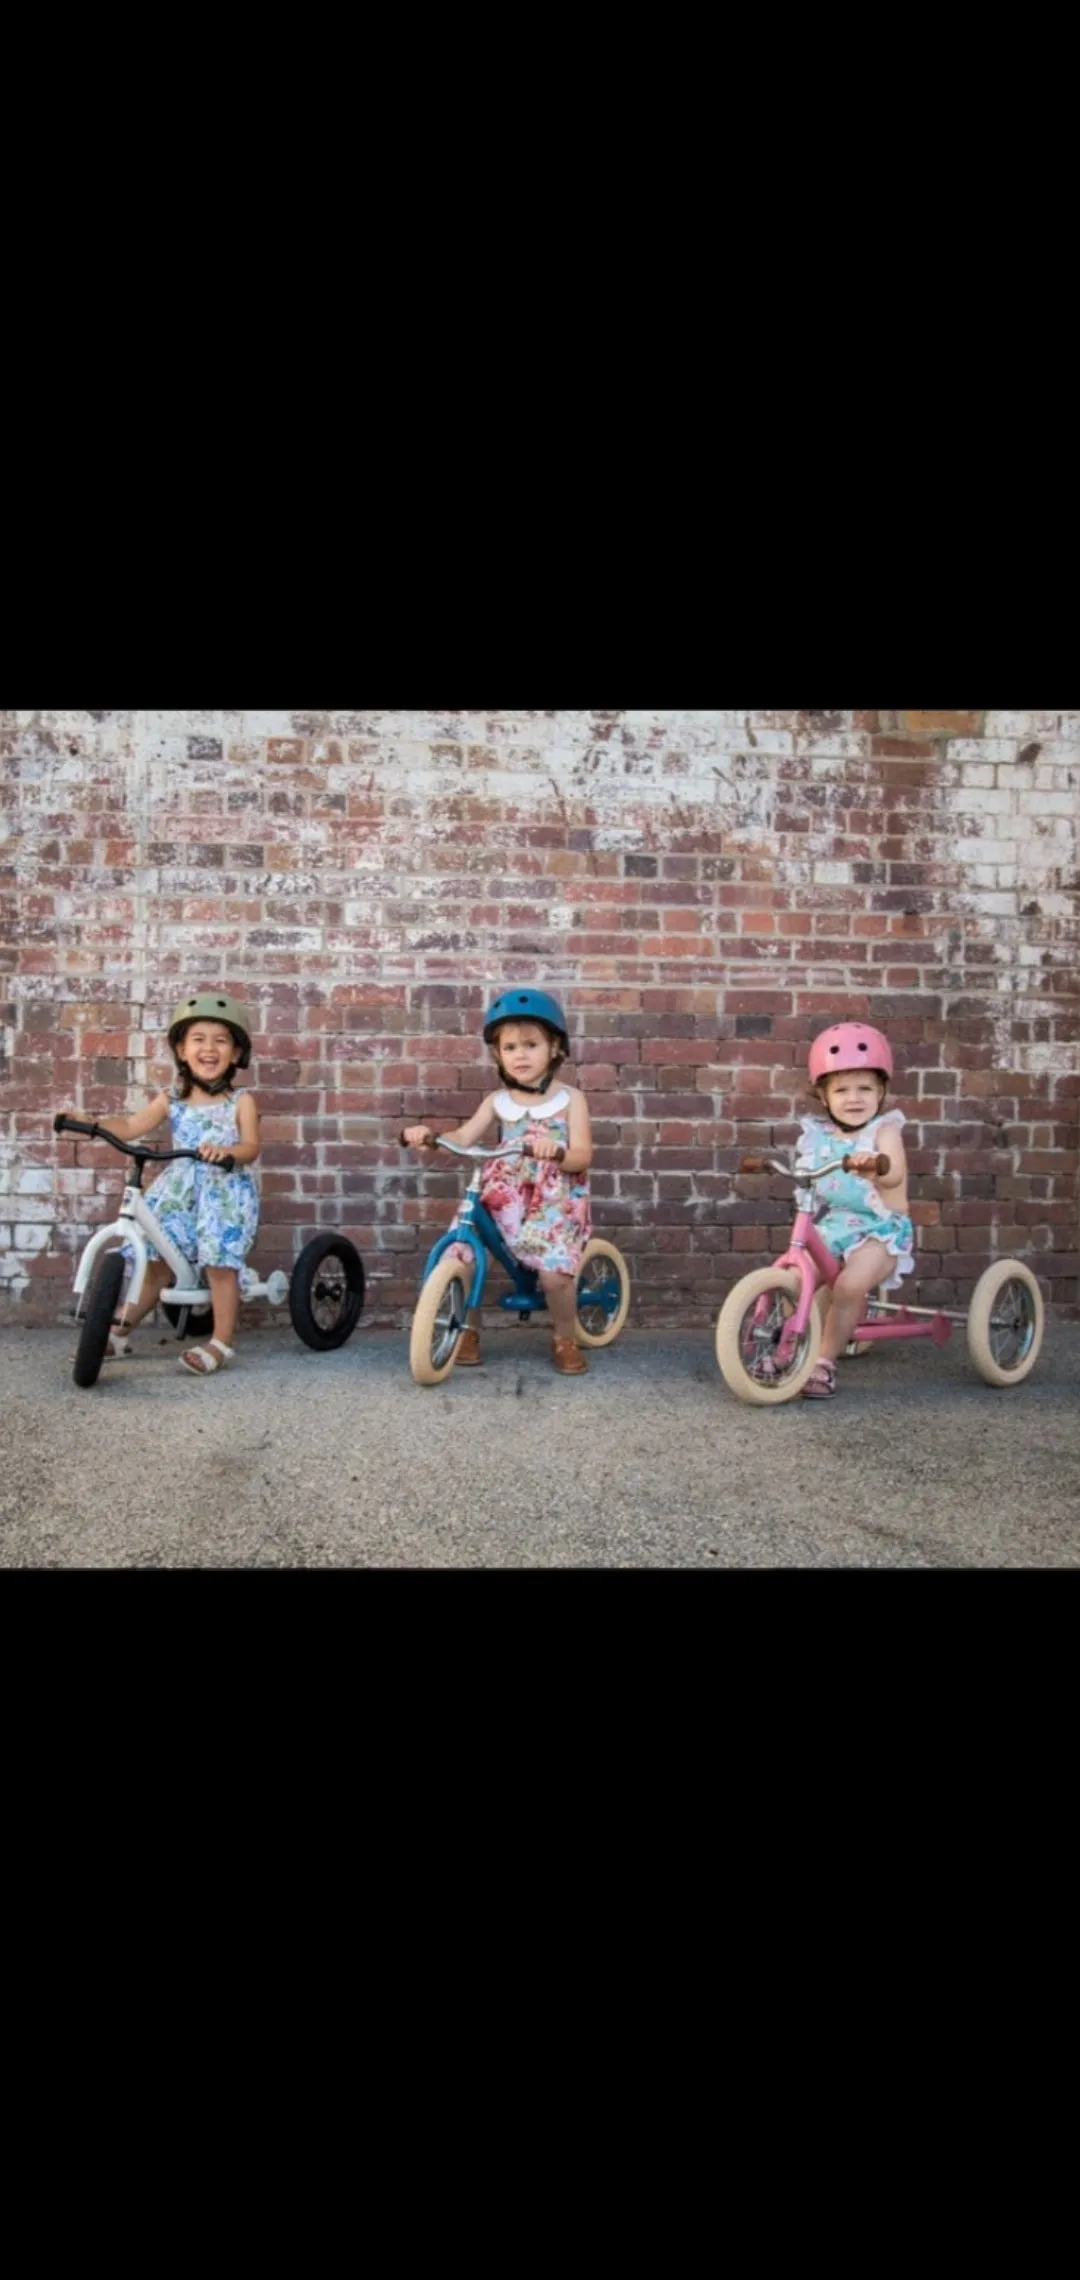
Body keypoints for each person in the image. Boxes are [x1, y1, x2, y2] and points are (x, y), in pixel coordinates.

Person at [64, 991, 261, 1377]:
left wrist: (227, 1152)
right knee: (155, 1261)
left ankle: (221, 1342)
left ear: (236, 1054)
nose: (209, 1048)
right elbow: (133, 1126)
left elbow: (251, 1146)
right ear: (182, 1050)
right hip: (178, 1189)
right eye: (198, 1040)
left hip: (222, 1190)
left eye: (220, 1041)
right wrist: (92, 1124)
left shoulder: (241, 1101)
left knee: (220, 1264)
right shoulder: (170, 1098)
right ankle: (119, 1333)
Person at [402, 988, 593, 1374]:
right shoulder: (496, 1101)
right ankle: (467, 1329)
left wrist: (554, 1152)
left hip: (552, 1198)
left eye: (530, 1044)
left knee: (553, 1275)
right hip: (502, 1192)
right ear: (497, 1055)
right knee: (462, 1254)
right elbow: (464, 1137)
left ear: (555, 1048)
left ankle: (564, 1337)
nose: (519, 1055)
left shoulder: (571, 1099)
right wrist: (431, 1136)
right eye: (509, 1047)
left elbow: (582, 1156)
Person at [798, 1020, 914, 1400]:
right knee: (801, 1278)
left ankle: (823, 1362)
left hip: (882, 1229)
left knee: (848, 1286)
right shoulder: (820, 1136)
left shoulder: (884, 1132)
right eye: (842, 1089)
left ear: (881, 1091)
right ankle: (786, 1343)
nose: (854, 1097)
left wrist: (877, 1165)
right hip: (836, 1225)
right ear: (824, 1095)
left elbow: (894, 1174)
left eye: (865, 1088)